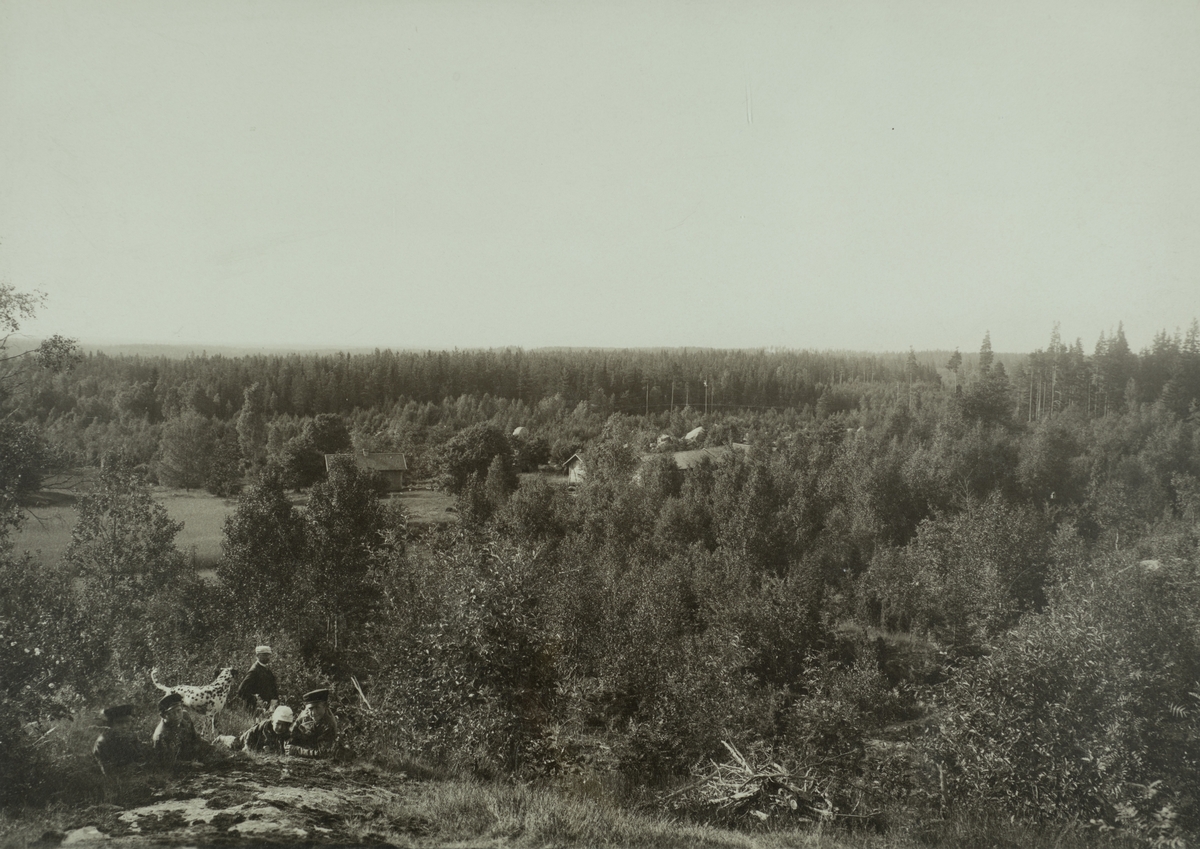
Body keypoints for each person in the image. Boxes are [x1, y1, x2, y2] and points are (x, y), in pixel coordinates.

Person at [152, 692, 207, 766]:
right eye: (171, 713)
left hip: (193, 755)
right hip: (179, 768)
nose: (177, 715)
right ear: (163, 716)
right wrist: (190, 764)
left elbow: (195, 738)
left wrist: (210, 748)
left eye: (178, 710)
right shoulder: (161, 735)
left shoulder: (185, 716)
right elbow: (167, 763)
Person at [286, 689, 338, 758]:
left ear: (325, 706)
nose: (314, 713)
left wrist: (297, 751)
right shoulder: (304, 715)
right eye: (310, 709)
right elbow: (291, 735)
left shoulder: (329, 724)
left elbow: (323, 753)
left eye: (317, 708)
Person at [93, 704, 145, 774]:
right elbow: (109, 772)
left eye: (127, 722)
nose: (124, 726)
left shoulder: (131, 737)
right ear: (110, 724)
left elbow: (140, 758)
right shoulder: (103, 742)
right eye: (119, 723)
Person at [235, 645, 279, 713]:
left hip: (267, 707)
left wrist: (273, 702)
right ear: (258, 655)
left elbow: (273, 688)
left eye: (268, 655)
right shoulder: (254, 670)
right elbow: (242, 689)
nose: (267, 657)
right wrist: (254, 700)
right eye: (264, 655)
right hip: (257, 709)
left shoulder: (267, 670)